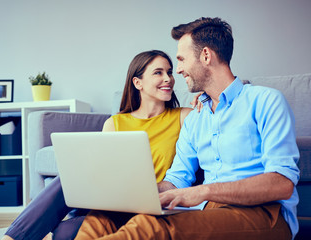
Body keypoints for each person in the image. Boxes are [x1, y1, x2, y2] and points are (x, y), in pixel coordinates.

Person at [74, 17, 300, 240]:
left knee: (150, 228)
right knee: (103, 217)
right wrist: (133, 194)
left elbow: (282, 183)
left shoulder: (266, 101)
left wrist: (202, 191)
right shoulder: (196, 118)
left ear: (206, 55)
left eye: (181, 60)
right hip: (207, 211)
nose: (178, 71)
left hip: (264, 214)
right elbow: (177, 179)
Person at [2, 50, 195, 240]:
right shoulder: (115, 123)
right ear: (138, 83)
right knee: (71, 177)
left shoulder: (184, 116)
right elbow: (103, 173)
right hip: (115, 203)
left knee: (64, 233)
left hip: (154, 204)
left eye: (169, 72)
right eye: (158, 73)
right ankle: (11, 238)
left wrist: (203, 97)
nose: (168, 78)